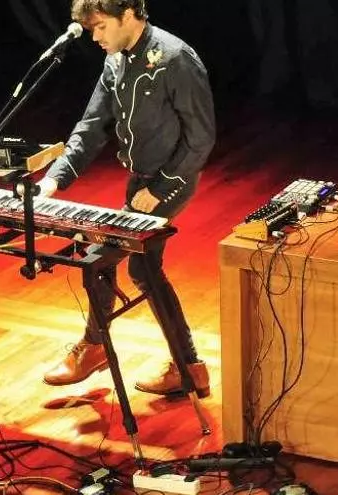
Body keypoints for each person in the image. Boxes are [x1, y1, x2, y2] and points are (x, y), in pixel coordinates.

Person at [33, 0, 216, 397]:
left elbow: (201, 138)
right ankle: (190, 368)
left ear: (129, 15)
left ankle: (95, 346)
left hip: (171, 181)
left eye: (101, 27)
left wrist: (160, 188)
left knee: (99, 258)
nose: (95, 37)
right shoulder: (115, 60)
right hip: (140, 182)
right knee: (143, 269)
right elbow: (91, 127)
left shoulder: (175, 58)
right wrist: (53, 179)